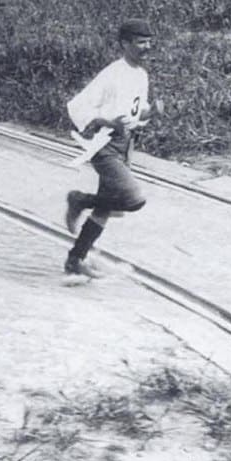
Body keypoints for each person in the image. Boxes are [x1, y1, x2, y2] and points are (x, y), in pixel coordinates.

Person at [63, 18, 163, 280]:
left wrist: (152, 112)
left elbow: (135, 111)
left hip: (125, 143)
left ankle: (76, 259)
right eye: (141, 42)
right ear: (125, 44)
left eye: (149, 42)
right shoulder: (112, 73)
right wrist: (107, 121)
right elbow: (78, 106)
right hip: (105, 143)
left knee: (106, 209)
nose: (147, 47)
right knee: (133, 199)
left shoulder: (141, 74)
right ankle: (79, 200)